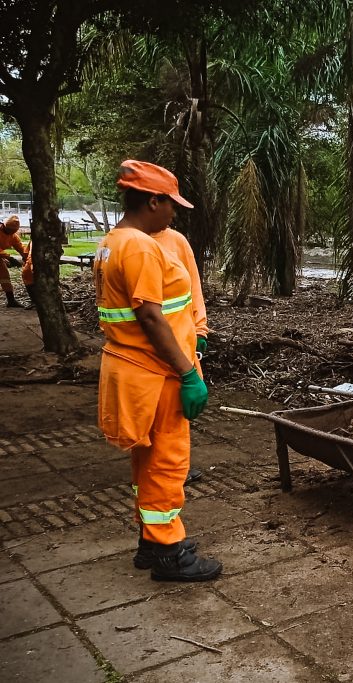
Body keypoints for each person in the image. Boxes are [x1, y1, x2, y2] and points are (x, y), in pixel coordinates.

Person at [94, 159, 221, 581]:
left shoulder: (114, 242)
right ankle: (168, 551)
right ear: (153, 201)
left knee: (146, 461)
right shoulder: (143, 247)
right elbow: (150, 316)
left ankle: (152, 539)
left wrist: (195, 335)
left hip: (134, 368)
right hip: (157, 373)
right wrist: (187, 373)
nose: (174, 214)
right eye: (171, 205)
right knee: (167, 461)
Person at [152, 225, 209, 487]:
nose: (173, 213)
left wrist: (201, 329)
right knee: (152, 416)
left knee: (175, 413)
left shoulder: (176, 241)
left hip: (179, 344)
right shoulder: (127, 245)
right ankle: (161, 468)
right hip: (147, 353)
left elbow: (193, 288)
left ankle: (173, 468)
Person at [0, 215, 29, 308]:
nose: (11, 233)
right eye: (10, 231)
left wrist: (27, 257)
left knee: (4, 275)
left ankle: (11, 301)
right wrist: (9, 257)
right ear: (4, 226)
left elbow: (20, 247)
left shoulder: (13, 236)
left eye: (14, 231)